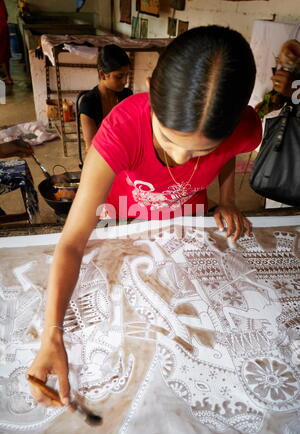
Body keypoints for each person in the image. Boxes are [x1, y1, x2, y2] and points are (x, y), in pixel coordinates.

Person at [27, 25, 262, 407]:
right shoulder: (121, 131)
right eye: (169, 141)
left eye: (202, 150)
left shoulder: (244, 127)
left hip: (187, 219)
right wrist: (52, 333)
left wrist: (228, 197)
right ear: (151, 88)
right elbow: (72, 241)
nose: (183, 160)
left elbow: (230, 151)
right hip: (125, 217)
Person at [79, 44, 133, 151]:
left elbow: (132, 132)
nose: (125, 81)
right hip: (101, 157)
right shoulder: (88, 103)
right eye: (119, 76)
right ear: (102, 75)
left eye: (127, 75)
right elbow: (91, 148)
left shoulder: (126, 95)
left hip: (125, 152)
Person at [0, 0, 13, 85]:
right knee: (4, 54)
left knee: (2, 54)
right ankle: (7, 77)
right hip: (3, 28)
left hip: (1, 29)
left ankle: (7, 78)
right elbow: (6, 15)